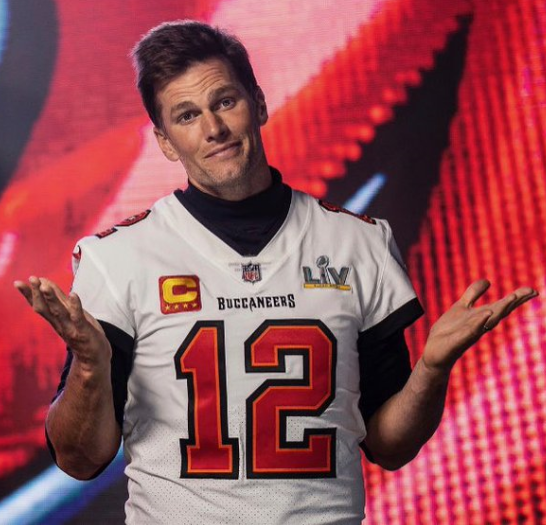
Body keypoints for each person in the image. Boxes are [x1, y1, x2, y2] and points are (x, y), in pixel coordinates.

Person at [14, 20, 538, 524]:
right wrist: (91, 364)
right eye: (187, 115)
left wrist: (432, 369)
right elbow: (80, 460)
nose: (214, 129)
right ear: (166, 141)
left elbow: (389, 447)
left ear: (258, 104)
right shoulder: (119, 257)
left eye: (225, 101)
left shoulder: (358, 243)